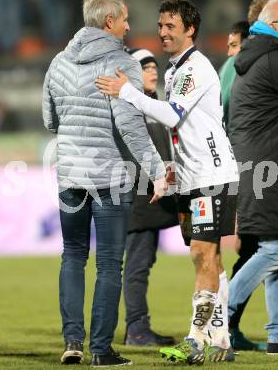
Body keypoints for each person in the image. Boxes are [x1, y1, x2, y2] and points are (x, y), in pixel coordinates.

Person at [96, 0, 239, 365]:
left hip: (211, 176)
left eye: (170, 26)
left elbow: (173, 116)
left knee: (201, 254)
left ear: (190, 29)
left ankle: (196, 339)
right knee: (211, 258)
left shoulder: (194, 68)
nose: (162, 33)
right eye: (160, 26)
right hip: (192, 178)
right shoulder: (176, 70)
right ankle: (221, 340)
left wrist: (127, 91)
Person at [42, 0, 168, 367]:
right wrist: (159, 171)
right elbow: (131, 129)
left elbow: (50, 121)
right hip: (110, 178)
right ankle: (100, 349)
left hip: (70, 177)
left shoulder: (58, 62)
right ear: (109, 21)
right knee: (110, 263)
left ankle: (73, 342)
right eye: (125, 19)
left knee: (73, 256)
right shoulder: (121, 65)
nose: (130, 26)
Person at [227, 0, 278, 355]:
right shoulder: (274, 58)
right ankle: (217, 312)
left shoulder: (258, 55)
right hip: (269, 167)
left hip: (261, 166)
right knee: (276, 248)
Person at [220, 0, 269, 352]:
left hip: (258, 167)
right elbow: (225, 120)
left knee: (267, 248)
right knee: (267, 248)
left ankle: (277, 329)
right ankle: (224, 319)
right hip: (257, 169)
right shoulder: (240, 66)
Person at [122, 48, 178, 347]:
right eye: (145, 67)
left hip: (159, 196)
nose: (153, 71)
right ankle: (137, 330)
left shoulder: (154, 105)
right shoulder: (128, 106)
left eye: (155, 66)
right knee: (138, 264)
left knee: (145, 260)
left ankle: (138, 327)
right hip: (139, 197)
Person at [219, 21, 250, 128]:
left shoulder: (233, 63)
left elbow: (223, 103)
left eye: (234, 45)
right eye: (229, 46)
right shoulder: (230, 65)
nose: (229, 53)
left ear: (247, 43)